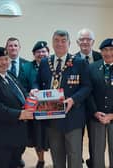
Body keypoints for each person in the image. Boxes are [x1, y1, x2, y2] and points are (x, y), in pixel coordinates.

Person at [31, 30, 91, 168]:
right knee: (57, 155)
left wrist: (73, 100)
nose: (60, 43)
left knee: (74, 155)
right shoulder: (45, 62)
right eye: (57, 40)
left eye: (63, 41)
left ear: (69, 43)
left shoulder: (79, 62)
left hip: (73, 117)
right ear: (52, 43)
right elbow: (37, 81)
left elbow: (87, 87)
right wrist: (34, 89)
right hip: (51, 117)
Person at [75, 28, 102, 167]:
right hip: (78, 107)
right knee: (76, 138)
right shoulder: (71, 60)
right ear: (77, 42)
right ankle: (77, 161)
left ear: (93, 42)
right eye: (82, 39)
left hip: (97, 107)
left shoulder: (101, 57)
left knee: (95, 139)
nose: (85, 42)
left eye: (88, 39)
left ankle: (94, 161)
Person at [23, 41, 49, 168]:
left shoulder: (54, 65)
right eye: (38, 52)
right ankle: (41, 160)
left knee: (53, 136)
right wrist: (29, 93)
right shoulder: (26, 67)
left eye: (44, 51)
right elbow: (22, 86)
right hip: (35, 110)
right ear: (34, 54)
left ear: (48, 53)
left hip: (52, 109)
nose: (41, 54)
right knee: (37, 136)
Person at [88, 38, 113, 168]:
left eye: (111, 49)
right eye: (105, 50)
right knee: (97, 152)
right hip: (97, 117)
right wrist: (95, 112)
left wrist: (111, 115)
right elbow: (88, 92)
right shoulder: (92, 68)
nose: (108, 53)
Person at [5, 37, 29, 167]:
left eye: (15, 45)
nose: (13, 48)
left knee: (22, 139)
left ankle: (18, 157)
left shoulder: (27, 64)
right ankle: (10, 159)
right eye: (10, 46)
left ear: (19, 48)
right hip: (9, 111)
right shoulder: (2, 64)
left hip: (25, 109)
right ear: (6, 48)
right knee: (9, 138)